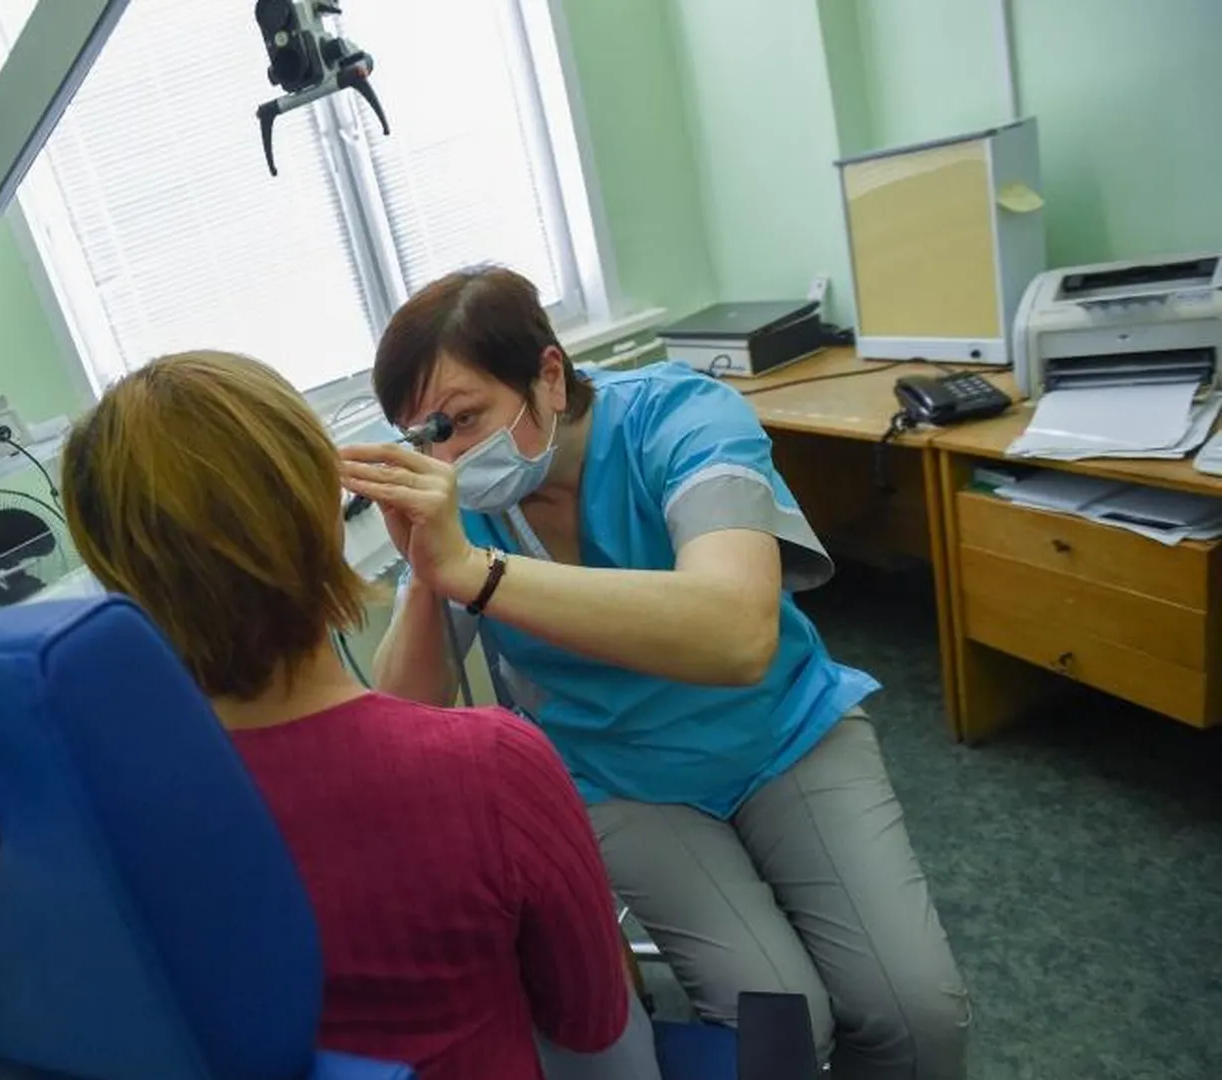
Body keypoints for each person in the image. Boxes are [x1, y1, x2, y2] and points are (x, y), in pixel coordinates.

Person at [343, 265, 970, 1080]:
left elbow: (738, 634)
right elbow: (402, 711)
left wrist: (478, 572)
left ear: (549, 375)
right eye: (428, 436)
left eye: (465, 419)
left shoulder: (681, 418)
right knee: (779, 1030)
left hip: (781, 734)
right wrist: (431, 573)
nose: (452, 457)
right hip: (623, 781)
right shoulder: (460, 502)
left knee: (916, 1016)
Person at [59, 350, 656, 1080]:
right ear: (326, 511)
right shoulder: (496, 767)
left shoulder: (96, 815)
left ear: (112, 568)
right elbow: (590, 1020)